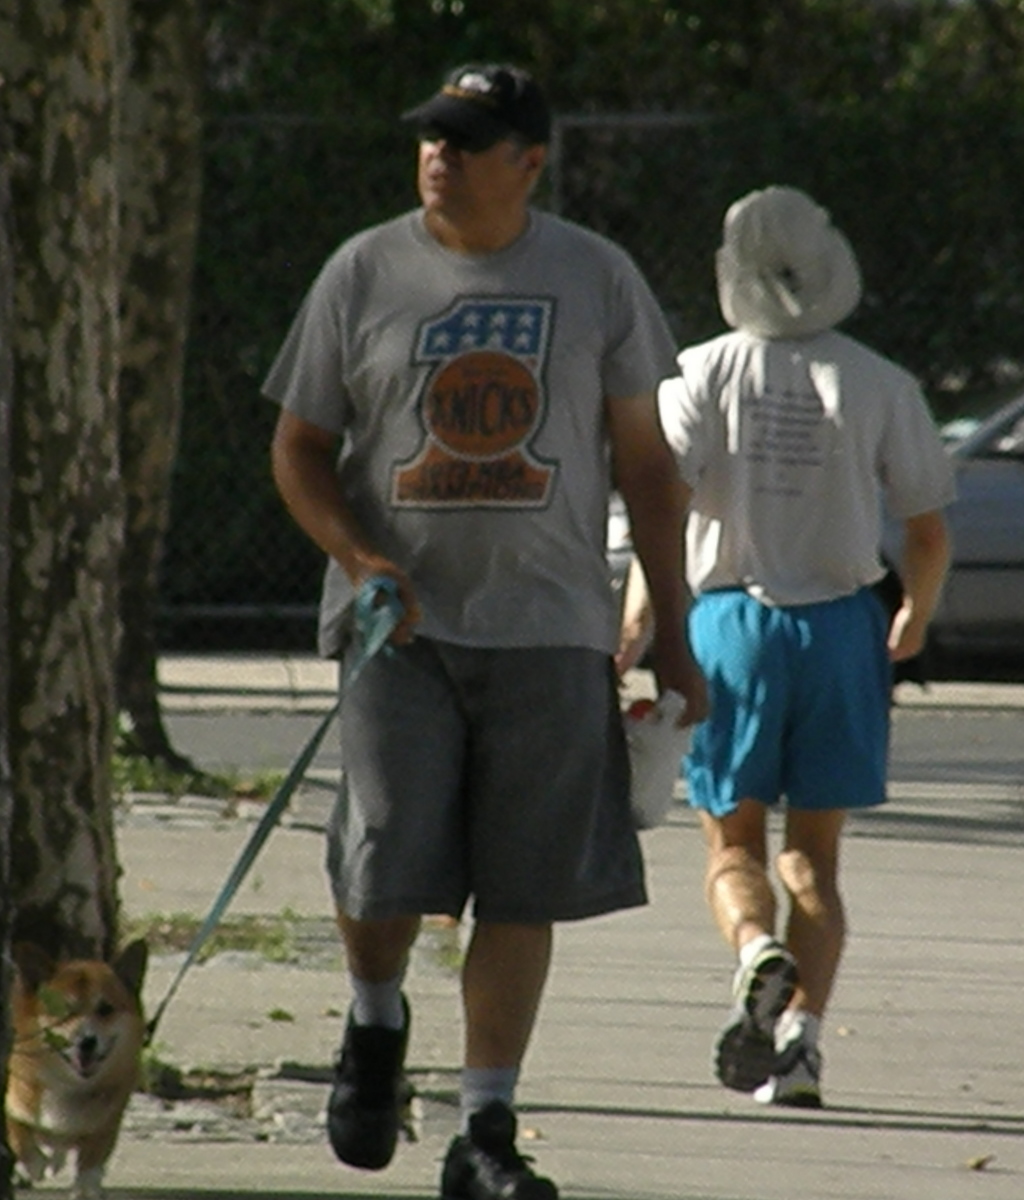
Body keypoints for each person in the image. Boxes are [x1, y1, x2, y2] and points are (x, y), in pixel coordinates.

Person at [266, 62, 706, 1200]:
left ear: (530, 161)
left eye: (466, 140)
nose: (439, 155)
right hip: (395, 631)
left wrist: (673, 625)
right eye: (432, 136)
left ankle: (485, 1131)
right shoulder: (362, 271)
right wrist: (359, 557)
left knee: (523, 886)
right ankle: (375, 1022)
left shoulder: (596, 277)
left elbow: (648, 467)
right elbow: (299, 448)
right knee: (382, 863)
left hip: (551, 626)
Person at [617, 185, 954, 1108]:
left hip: (730, 627)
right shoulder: (880, 383)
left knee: (732, 845)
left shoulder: (698, 373)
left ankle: (754, 949)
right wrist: (914, 615)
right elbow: (927, 530)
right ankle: (801, 1045)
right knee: (815, 858)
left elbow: (662, 509)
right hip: (842, 628)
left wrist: (637, 623)